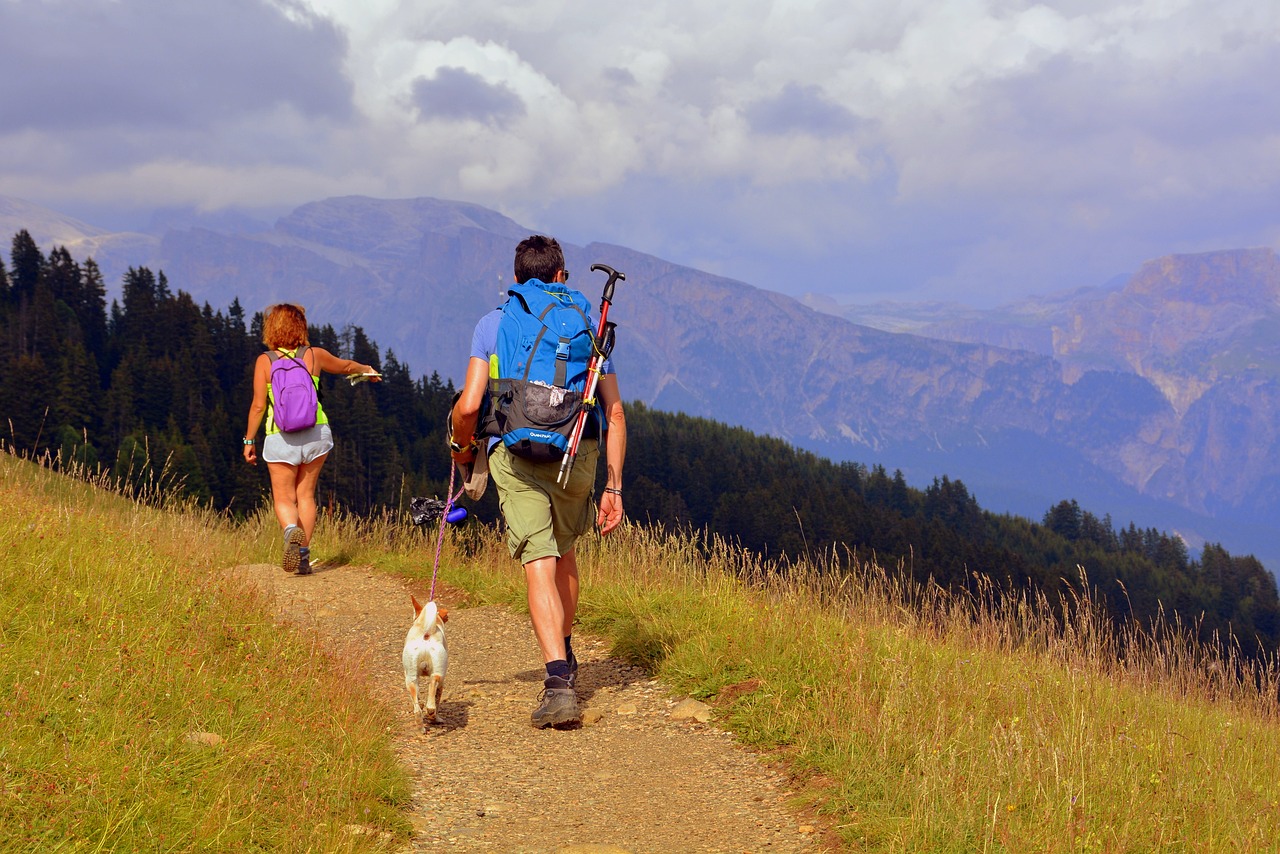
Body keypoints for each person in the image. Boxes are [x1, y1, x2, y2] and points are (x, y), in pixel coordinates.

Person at [450, 235, 626, 728]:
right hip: (578, 450)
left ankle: (556, 680)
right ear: (561, 276)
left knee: (538, 558)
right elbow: (613, 410)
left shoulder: (493, 322)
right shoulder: (589, 324)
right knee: (565, 551)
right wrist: (614, 487)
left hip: (517, 452)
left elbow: (468, 406)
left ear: (516, 277)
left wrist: (463, 446)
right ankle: (566, 653)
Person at [243, 303, 380, 575]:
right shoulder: (313, 355)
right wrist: (368, 370)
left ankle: (290, 531)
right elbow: (346, 367)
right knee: (305, 495)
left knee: (284, 498)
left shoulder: (265, 361)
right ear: (301, 327)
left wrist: (249, 441)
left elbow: (258, 406)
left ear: (271, 329)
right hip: (316, 433)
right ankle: (303, 556)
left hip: (280, 437)